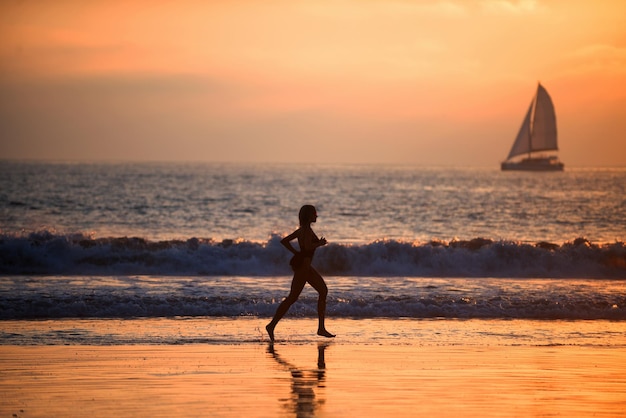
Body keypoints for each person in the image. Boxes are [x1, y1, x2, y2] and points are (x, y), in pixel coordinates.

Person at [266, 205, 335, 342]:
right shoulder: (306, 231)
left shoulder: (302, 230)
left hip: (305, 266)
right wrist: (319, 244)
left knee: (323, 290)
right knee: (293, 297)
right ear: (308, 216)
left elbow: (284, 241)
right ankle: (271, 325)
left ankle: (321, 328)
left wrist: (296, 252)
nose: (316, 216)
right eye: (314, 213)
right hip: (303, 267)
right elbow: (308, 246)